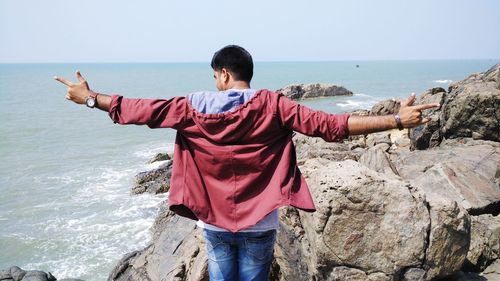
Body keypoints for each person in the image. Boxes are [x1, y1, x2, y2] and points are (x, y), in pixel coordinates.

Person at [54, 45, 439, 281]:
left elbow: (139, 109)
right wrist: (395, 120)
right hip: (261, 219)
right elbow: (333, 126)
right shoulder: (274, 105)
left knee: (222, 274)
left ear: (223, 74)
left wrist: (89, 98)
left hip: (214, 218)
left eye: (215, 75)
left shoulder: (190, 108)